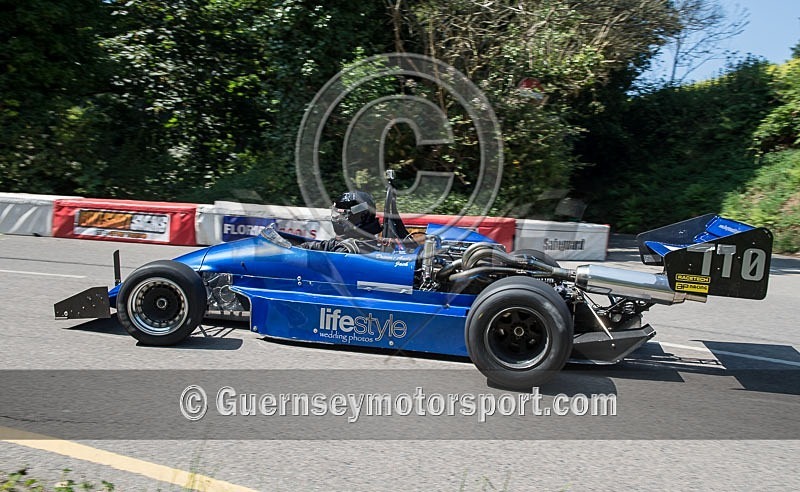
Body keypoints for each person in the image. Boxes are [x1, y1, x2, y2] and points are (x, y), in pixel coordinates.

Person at [298, 190, 382, 252]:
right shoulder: (346, 240)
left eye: (343, 215)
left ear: (360, 217)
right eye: (337, 213)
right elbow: (323, 246)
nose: (338, 218)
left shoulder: (353, 248)